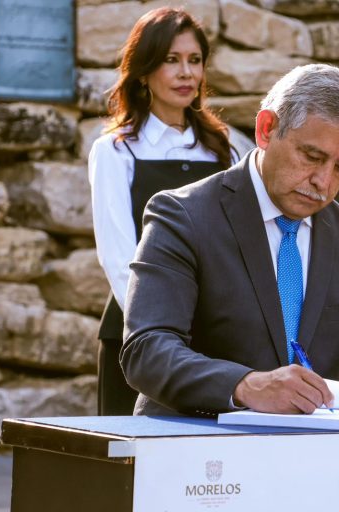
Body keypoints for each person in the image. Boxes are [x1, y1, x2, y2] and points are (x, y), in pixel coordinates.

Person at [121, 64, 339, 423]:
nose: (323, 181)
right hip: (192, 444)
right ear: (266, 129)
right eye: (312, 157)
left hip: (309, 449)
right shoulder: (183, 216)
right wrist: (245, 386)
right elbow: (147, 350)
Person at [88, 7, 240, 416]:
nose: (186, 72)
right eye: (171, 60)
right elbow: (118, 255)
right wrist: (157, 333)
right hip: (138, 338)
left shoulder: (223, 150)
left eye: (195, 60)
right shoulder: (116, 150)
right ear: (143, 71)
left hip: (214, 341)